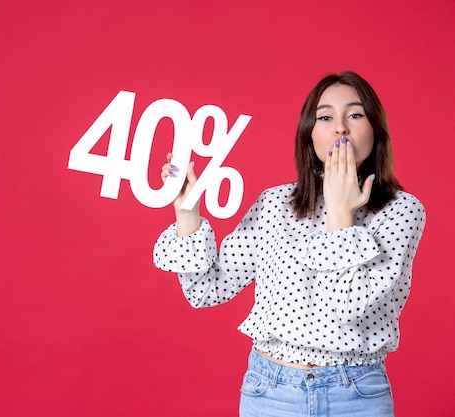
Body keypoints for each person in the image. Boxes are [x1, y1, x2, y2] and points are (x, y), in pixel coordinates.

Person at [153, 71, 425, 417]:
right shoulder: (274, 204)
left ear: (375, 130)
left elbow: (346, 308)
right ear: (309, 134)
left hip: (356, 394)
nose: (340, 128)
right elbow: (206, 291)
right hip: (271, 391)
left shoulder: (401, 211)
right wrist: (187, 213)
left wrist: (341, 212)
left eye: (355, 115)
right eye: (325, 117)